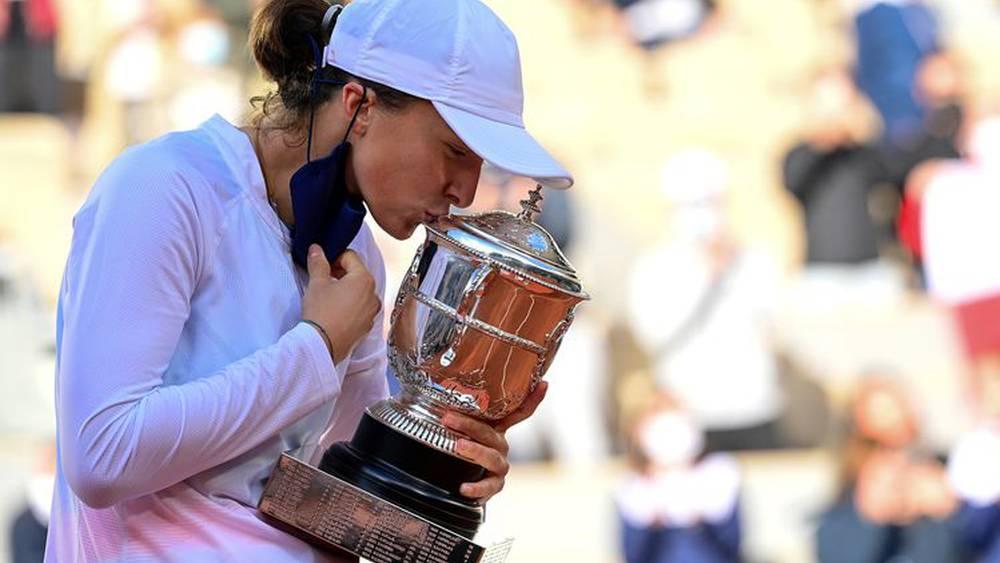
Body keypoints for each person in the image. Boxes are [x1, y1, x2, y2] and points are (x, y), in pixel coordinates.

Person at [45, 0, 572, 561]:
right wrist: (317, 347)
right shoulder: (164, 186)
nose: (464, 192)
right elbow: (100, 456)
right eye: (454, 151)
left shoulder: (353, 249)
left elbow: (339, 500)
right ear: (358, 106)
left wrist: (445, 455)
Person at [816, 376, 962, 563]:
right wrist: (871, 515)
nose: (896, 419)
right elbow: (837, 552)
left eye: (900, 407)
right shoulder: (854, 488)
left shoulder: (942, 468)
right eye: (883, 412)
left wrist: (946, 510)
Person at [615, 393, 742, 563]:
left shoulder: (719, 474)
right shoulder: (634, 488)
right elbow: (633, 553)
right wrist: (651, 526)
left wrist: (702, 522)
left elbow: (732, 544)